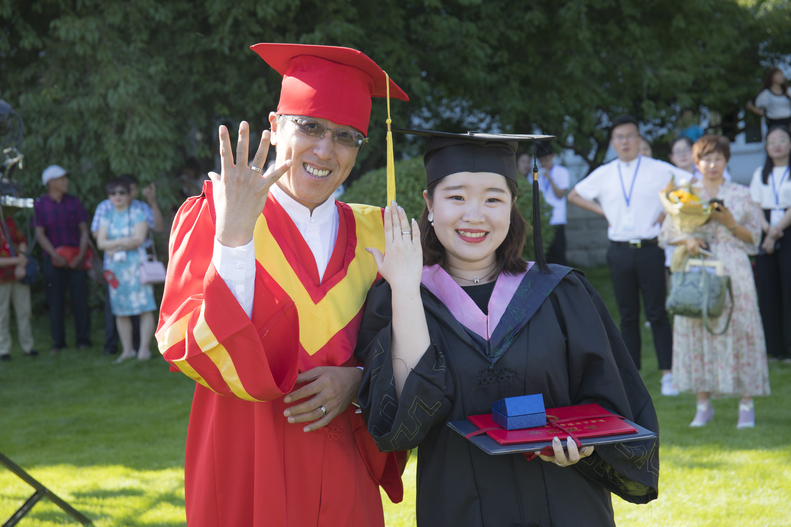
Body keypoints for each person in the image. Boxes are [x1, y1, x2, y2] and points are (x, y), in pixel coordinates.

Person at [155, 43, 409, 527]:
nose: (324, 150)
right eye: (309, 126)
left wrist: (357, 381)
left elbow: (404, 345)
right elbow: (185, 342)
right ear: (275, 125)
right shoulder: (215, 213)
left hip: (341, 457)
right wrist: (233, 239)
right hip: (244, 450)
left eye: (346, 136)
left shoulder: (378, 234)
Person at [356, 130, 659, 526]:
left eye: (493, 199)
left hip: (566, 507)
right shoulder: (400, 294)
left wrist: (586, 444)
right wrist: (406, 288)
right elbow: (401, 426)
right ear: (429, 204)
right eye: (457, 196)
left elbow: (615, 404)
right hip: (460, 507)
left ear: (514, 206)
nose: (475, 215)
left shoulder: (561, 293)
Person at [568, 115, 689, 396]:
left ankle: (668, 374)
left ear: (638, 139)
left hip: (649, 248)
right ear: (613, 142)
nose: (625, 141)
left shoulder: (656, 168)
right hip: (620, 251)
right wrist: (605, 213)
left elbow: (689, 183)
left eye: (630, 136)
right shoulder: (606, 172)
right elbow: (574, 195)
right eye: (619, 137)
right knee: (627, 314)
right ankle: (631, 374)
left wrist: (667, 210)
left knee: (657, 312)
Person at [660, 135, 769, 427]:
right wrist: (688, 238)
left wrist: (730, 222)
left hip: (734, 266)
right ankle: (703, 404)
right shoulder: (685, 194)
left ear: (726, 161)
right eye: (706, 159)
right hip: (698, 267)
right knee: (697, 329)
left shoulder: (740, 193)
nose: (712, 164)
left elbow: (755, 239)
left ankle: (746, 404)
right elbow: (666, 234)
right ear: (697, 162)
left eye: (718, 158)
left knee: (740, 328)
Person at [92, 174, 163, 356]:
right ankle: (127, 350)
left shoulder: (138, 212)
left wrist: (113, 245)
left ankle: (144, 350)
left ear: (129, 194)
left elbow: (139, 240)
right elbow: (100, 243)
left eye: (122, 192)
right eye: (112, 192)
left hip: (137, 268)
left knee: (144, 307)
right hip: (116, 270)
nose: (117, 196)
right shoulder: (106, 215)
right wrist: (124, 241)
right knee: (120, 309)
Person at [33, 165, 91, 354]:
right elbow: (40, 235)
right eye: (61, 179)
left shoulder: (74, 202)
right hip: (53, 260)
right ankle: (58, 343)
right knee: (55, 301)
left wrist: (81, 256)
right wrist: (56, 256)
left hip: (76, 259)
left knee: (80, 300)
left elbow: (84, 231)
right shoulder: (40, 204)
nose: (66, 182)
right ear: (51, 182)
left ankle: (83, 340)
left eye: (66, 178)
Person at [750, 124, 791, 363]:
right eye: (772, 141)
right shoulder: (759, 173)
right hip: (764, 231)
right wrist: (767, 231)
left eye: (782, 140)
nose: (776, 145)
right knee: (768, 290)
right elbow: (755, 204)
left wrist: (776, 232)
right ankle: (773, 348)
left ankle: (789, 348)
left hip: (786, 231)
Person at [0, 211, 35, 361]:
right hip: (2, 278)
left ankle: (28, 347)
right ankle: (3, 350)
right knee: (1, 315)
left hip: (18, 274)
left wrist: (22, 260)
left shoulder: (8, 220)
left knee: (24, 312)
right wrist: (17, 262)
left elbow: (22, 240)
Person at [535, 142, 570, 265]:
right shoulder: (536, 174)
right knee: (544, 256)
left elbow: (560, 195)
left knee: (559, 255)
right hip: (542, 220)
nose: (543, 164)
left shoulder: (562, 172)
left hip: (557, 219)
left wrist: (549, 178)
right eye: (541, 161)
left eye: (546, 160)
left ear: (553, 156)